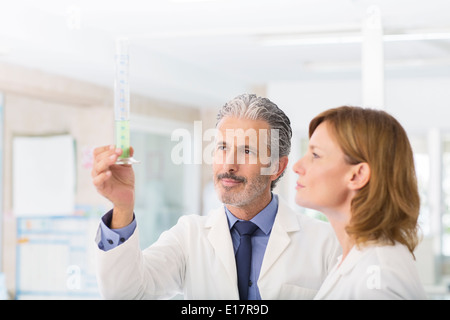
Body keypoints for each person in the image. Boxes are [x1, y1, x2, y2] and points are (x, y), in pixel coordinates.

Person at [92, 93, 340, 300]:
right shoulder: (188, 236)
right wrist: (122, 208)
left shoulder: (327, 244)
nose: (229, 164)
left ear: (276, 166)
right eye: (222, 148)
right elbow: (126, 294)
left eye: (246, 151)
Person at [293, 106, 427, 300]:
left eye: (315, 155)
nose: (297, 167)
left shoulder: (379, 281)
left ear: (358, 175)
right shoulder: (354, 260)